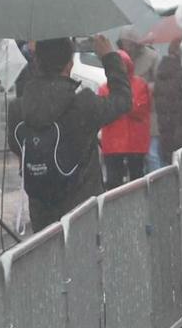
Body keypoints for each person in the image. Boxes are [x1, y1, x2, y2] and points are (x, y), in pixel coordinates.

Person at [11, 35, 133, 233]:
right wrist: (109, 57)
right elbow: (123, 100)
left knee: (46, 260)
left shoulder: (17, 109)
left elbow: (18, 147)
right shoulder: (83, 104)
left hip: (41, 210)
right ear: (69, 65)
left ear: (37, 62)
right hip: (82, 211)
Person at [99, 49, 153, 188]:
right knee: (117, 181)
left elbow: (142, 110)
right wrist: (128, 103)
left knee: (132, 180)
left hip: (124, 143)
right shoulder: (106, 88)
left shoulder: (107, 88)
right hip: (121, 143)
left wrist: (121, 105)